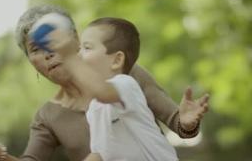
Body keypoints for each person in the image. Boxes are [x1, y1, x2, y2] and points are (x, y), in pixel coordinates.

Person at [0, 5, 210, 161]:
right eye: (36, 48)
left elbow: (179, 123)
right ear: (30, 61)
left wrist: (187, 123)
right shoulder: (48, 116)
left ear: (75, 41)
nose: (48, 52)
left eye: (53, 41)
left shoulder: (125, 76)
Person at [37, 16, 184, 160]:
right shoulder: (95, 108)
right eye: (79, 49)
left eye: (87, 48)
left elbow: (104, 92)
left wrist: (67, 55)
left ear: (117, 60)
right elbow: (100, 154)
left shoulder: (126, 85)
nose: (79, 55)